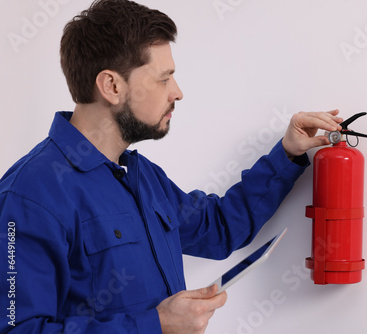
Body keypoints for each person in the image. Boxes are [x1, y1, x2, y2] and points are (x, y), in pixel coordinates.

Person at [0, 0, 343, 333]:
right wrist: (155, 325)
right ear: (112, 86)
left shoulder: (140, 176)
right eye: (164, 78)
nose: (177, 92)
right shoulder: (28, 196)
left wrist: (286, 153)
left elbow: (219, 227)